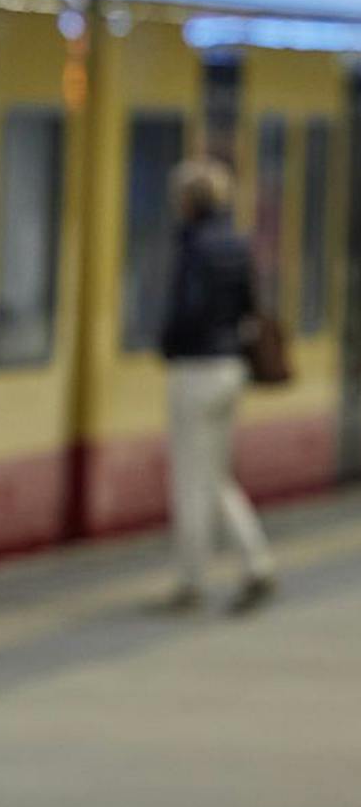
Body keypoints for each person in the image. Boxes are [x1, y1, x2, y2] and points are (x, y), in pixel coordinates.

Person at [159, 157, 278, 615]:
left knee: (191, 479)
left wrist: (168, 345)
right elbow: (250, 305)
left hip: (196, 369)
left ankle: (190, 581)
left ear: (188, 202)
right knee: (215, 474)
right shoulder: (239, 244)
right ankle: (257, 562)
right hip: (232, 369)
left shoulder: (193, 246)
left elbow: (187, 311)